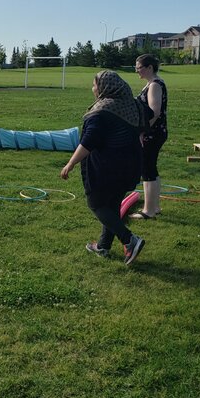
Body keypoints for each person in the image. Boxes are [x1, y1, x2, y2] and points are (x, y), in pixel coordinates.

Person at [60, 71, 145, 265]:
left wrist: (70, 163)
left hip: (107, 167)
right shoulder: (132, 105)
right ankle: (103, 246)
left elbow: (89, 141)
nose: (92, 89)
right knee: (112, 205)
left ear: (104, 87)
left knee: (96, 204)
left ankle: (130, 240)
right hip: (130, 165)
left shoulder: (102, 111)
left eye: (94, 85)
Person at [131, 54, 168, 219]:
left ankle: (149, 211)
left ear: (149, 68)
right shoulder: (152, 84)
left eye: (139, 67)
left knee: (147, 170)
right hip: (155, 132)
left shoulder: (154, 85)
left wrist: (143, 131)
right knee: (150, 168)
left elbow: (155, 111)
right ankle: (155, 207)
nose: (137, 71)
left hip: (153, 134)